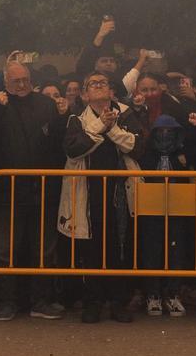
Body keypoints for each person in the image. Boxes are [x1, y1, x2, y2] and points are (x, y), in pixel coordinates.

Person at [0, 60, 68, 321]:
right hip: (6, 191)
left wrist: (61, 117)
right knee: (4, 250)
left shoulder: (46, 104)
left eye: (25, 79)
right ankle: (6, 302)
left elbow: (58, 143)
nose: (22, 85)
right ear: (6, 82)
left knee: (44, 249)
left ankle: (41, 301)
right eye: (16, 81)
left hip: (43, 189)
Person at [60, 70, 144, 323]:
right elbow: (73, 149)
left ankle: (118, 302)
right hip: (89, 191)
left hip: (120, 191)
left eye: (103, 83)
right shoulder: (76, 119)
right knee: (92, 249)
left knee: (119, 247)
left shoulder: (127, 114)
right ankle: (93, 302)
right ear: (84, 94)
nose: (98, 86)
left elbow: (140, 147)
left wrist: (113, 128)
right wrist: (100, 125)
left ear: (111, 90)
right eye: (92, 84)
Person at [135, 114, 191, 318]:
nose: (165, 136)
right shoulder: (146, 156)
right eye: (161, 132)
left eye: (170, 132)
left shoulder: (183, 156)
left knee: (176, 251)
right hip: (151, 210)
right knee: (151, 250)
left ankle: (173, 293)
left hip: (178, 209)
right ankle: (153, 294)